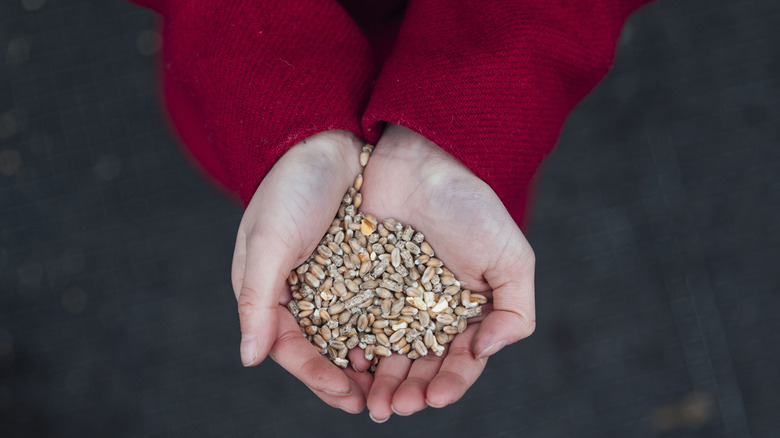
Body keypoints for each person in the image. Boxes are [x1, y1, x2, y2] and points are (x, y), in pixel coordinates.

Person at [129, 0, 651, 422]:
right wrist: (287, 111)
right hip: (248, 81)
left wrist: (462, 117)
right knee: (264, 204)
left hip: (484, 88)